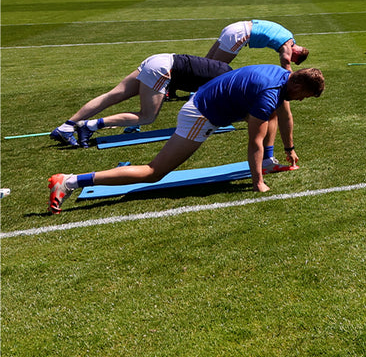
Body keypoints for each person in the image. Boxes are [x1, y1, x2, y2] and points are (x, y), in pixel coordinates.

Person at [46, 66, 326, 214]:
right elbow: (254, 141)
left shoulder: (280, 76)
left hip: (204, 100)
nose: (301, 100)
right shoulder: (268, 94)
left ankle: (270, 158)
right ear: (298, 85)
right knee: (153, 172)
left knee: (271, 116)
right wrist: (258, 183)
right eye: (304, 96)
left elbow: (281, 113)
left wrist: (289, 148)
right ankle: (69, 181)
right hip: (200, 116)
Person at [50, 54, 233, 147]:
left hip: (160, 59)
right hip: (163, 69)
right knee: (147, 116)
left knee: (114, 94)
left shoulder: (226, 71)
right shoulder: (225, 82)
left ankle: (66, 127)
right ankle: (90, 126)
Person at [206, 19, 309, 69]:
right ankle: (198, 93)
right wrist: (292, 79)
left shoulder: (288, 35)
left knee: (207, 62)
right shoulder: (288, 44)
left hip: (235, 27)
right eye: (293, 57)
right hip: (240, 34)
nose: (290, 57)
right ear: (297, 52)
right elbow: (286, 61)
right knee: (217, 67)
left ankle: (194, 88)